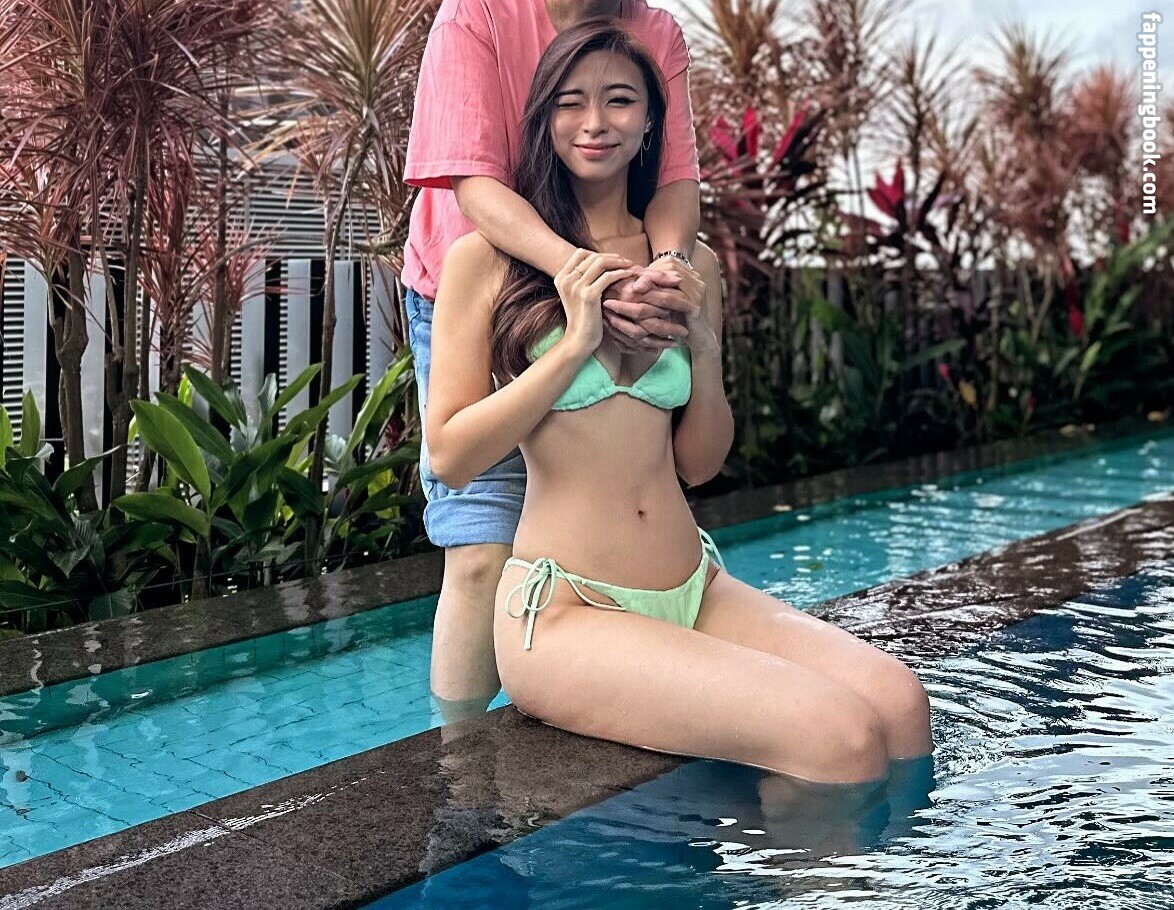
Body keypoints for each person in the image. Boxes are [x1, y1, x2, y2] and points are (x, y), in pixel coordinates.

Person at [426, 20, 934, 786]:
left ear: (650, 123)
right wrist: (573, 344)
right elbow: (451, 457)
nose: (595, 122)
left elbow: (699, 465)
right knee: (836, 738)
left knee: (898, 704)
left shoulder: (689, 264)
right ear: (543, 120)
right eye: (571, 102)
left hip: (693, 586)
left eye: (619, 100)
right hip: (569, 610)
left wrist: (704, 347)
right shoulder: (489, 262)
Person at [403, 0, 705, 721]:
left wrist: (665, 267)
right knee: (481, 547)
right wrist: (582, 276)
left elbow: (675, 177)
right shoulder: (474, 16)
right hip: (488, 286)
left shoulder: (657, 30)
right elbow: (474, 186)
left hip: (615, 280)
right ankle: (457, 760)